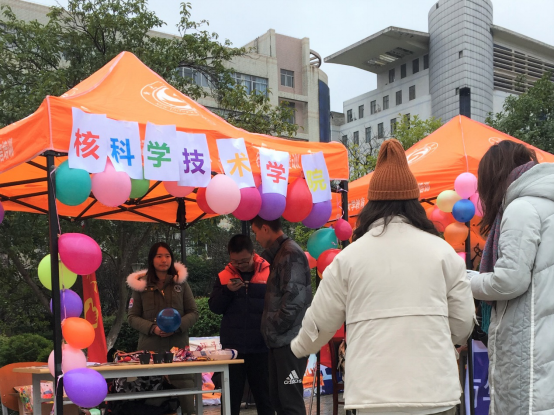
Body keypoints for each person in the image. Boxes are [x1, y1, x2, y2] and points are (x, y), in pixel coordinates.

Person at [291, 139, 475, 415]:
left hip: (373, 395)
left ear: (371, 205)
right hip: (434, 391)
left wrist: (297, 348)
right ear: (414, 203)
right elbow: (463, 323)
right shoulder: (443, 252)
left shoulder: (349, 258)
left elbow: (320, 323)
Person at [470, 140, 554, 415]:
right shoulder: (546, 204)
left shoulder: (521, 209)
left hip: (527, 340)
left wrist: (468, 281)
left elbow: (510, 281)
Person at [127, 242, 199, 415]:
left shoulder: (180, 284)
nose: (164, 260)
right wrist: (152, 328)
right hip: (150, 353)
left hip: (178, 352)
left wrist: (177, 326)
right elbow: (132, 317)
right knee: (153, 404)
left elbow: (193, 313)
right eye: (159, 256)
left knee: (187, 400)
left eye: (167, 256)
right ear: (152, 259)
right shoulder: (141, 286)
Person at [251, 216, 312, 415]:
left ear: (265, 228)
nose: (256, 238)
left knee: (289, 402)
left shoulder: (290, 253)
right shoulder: (280, 253)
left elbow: (294, 301)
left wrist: (274, 326)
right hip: (280, 340)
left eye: (255, 232)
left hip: (289, 340)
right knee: (278, 399)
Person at [208, 234, 274, 415]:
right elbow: (214, 307)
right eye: (235, 261)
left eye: (244, 261)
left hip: (261, 346)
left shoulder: (269, 272)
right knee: (230, 399)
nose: (240, 265)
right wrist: (227, 291)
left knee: (265, 398)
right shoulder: (224, 276)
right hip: (232, 349)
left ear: (253, 253)